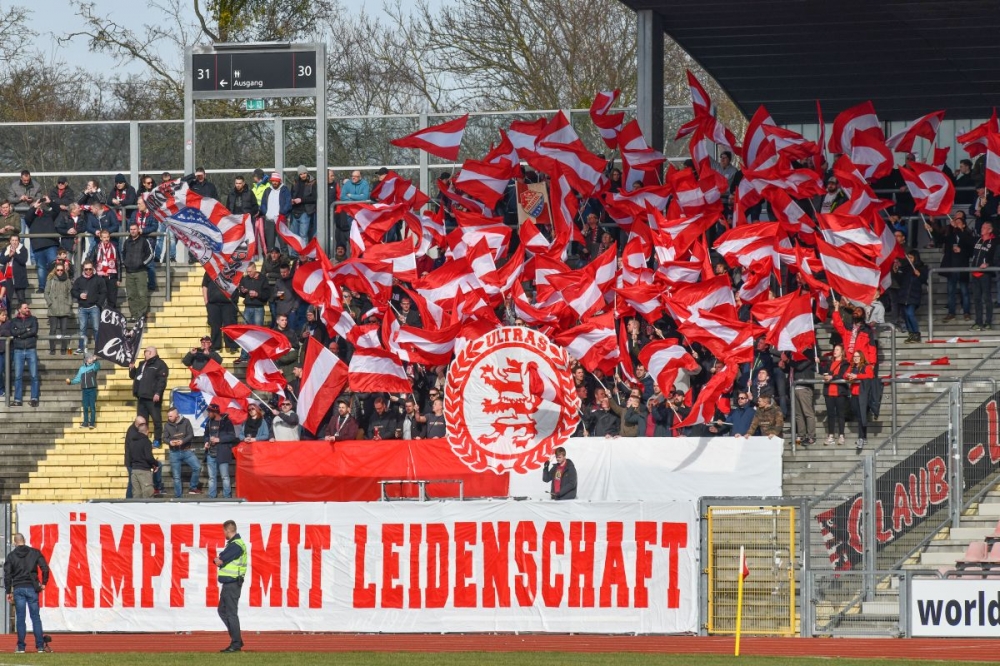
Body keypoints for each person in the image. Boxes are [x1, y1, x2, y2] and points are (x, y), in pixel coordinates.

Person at [3, 533, 51, 654]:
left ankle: (21, 647)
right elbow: (45, 568)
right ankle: (40, 646)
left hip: (18, 588)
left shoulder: (11, 556)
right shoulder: (35, 552)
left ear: (15, 542)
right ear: (24, 540)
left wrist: (8, 591)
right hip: (32, 588)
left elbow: (7, 575)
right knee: (35, 618)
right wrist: (44, 583)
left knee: (20, 618)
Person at [214, 519, 247, 653]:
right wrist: (219, 559)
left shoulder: (235, 545)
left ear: (228, 530)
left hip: (232, 583)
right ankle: (236, 639)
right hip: (229, 584)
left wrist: (218, 560)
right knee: (222, 611)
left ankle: (236, 643)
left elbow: (221, 560)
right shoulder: (234, 544)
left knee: (230, 613)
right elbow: (221, 557)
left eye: (224, 531)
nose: (224, 534)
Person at [130, 346, 169, 448]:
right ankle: (143, 440)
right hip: (141, 397)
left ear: (150, 352)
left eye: (145, 352)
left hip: (152, 398)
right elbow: (134, 376)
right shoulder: (142, 364)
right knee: (141, 421)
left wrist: (158, 393)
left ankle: (157, 440)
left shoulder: (160, 364)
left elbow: (162, 381)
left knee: (156, 420)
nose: (144, 354)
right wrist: (132, 368)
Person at [164, 407, 201, 496]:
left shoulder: (186, 421)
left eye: (171, 416)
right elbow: (164, 438)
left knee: (197, 467)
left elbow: (191, 435)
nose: (169, 418)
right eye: (168, 416)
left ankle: (193, 487)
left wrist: (183, 441)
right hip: (174, 452)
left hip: (186, 450)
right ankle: (178, 496)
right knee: (176, 477)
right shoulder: (167, 425)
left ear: (176, 415)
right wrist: (170, 442)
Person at [71, 261, 106, 354]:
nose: (88, 271)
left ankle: (99, 348)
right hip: (82, 308)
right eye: (86, 269)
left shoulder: (98, 279)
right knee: (82, 328)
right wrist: (79, 295)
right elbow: (73, 291)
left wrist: (98, 304)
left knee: (96, 328)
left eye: (90, 269)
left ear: (93, 269)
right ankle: (81, 347)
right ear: (83, 269)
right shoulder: (79, 280)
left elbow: (103, 292)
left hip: (94, 307)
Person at [204, 404, 238, 499]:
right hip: (211, 453)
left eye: (209, 412)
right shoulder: (209, 422)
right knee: (211, 477)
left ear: (214, 412)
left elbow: (232, 436)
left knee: (225, 477)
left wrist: (219, 439)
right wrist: (206, 442)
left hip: (222, 453)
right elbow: (206, 435)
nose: (208, 414)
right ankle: (212, 496)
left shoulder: (227, 422)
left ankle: (227, 496)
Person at [120, 222, 153, 319]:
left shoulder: (144, 241)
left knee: (142, 294)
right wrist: (125, 263)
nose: (133, 231)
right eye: (131, 229)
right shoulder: (127, 242)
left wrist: (142, 263)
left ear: (138, 230)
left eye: (134, 229)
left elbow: (150, 254)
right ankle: (134, 315)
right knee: (131, 295)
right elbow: (123, 253)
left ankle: (142, 315)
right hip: (129, 272)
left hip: (140, 272)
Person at [10, 302, 39, 407]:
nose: (28, 309)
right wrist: (26, 330)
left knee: (34, 375)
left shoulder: (33, 319)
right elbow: (13, 332)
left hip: (31, 349)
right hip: (18, 350)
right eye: (25, 308)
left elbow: (34, 331)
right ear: (19, 310)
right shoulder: (13, 321)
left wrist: (20, 334)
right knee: (18, 376)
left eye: (28, 307)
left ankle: (34, 398)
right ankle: (17, 400)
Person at [970, 222, 997, 331]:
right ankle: (978, 322)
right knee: (977, 299)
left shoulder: (994, 242)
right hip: (974, 273)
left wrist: (988, 264)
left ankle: (988, 322)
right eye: (982, 227)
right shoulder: (977, 240)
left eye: (985, 227)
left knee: (987, 298)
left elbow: (996, 257)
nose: (982, 229)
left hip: (985, 274)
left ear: (990, 230)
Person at [845, 350, 874, 453]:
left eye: (858, 356)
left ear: (862, 357)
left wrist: (857, 376)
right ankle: (864, 437)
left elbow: (870, 376)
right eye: (854, 356)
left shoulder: (866, 366)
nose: (856, 358)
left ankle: (861, 438)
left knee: (862, 416)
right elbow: (845, 375)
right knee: (859, 415)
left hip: (863, 394)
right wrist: (849, 375)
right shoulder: (852, 367)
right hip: (854, 394)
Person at [821, 344, 849, 446]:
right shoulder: (829, 363)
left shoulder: (845, 363)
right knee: (830, 415)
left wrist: (832, 377)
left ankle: (841, 435)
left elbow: (843, 375)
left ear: (842, 352)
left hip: (840, 392)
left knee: (841, 414)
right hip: (829, 392)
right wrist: (818, 363)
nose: (835, 351)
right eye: (834, 349)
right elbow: (823, 371)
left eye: (837, 349)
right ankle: (831, 435)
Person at [124, 416, 158, 498]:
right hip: (143, 469)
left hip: (134, 468)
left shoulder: (133, 440)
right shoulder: (146, 441)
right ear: (147, 431)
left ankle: (130, 502)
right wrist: (155, 463)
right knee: (148, 493)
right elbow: (148, 457)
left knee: (136, 493)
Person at [44, 262, 73, 355]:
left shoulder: (67, 280)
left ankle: (63, 349)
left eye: (61, 270)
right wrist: (50, 303)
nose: (60, 271)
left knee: (64, 330)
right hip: (53, 309)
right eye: (58, 270)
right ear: (55, 270)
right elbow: (46, 293)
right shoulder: (51, 279)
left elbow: (70, 293)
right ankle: (52, 349)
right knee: (53, 330)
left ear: (64, 270)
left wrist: (69, 304)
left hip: (64, 308)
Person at [66, 354, 100, 429]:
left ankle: (92, 423)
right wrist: (70, 382)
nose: (91, 359)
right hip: (85, 390)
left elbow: (98, 366)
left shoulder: (94, 366)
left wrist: (96, 360)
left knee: (92, 407)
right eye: (90, 358)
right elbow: (78, 379)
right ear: (86, 359)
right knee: (85, 407)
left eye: (91, 358)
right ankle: (85, 422)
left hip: (92, 389)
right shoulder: (81, 368)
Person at [0, 233, 29, 307]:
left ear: (19, 241)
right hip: (7, 278)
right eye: (12, 240)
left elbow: (23, 260)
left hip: (19, 278)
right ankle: (7, 314)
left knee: (21, 300)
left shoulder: (23, 249)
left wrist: (15, 254)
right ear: (10, 241)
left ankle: (23, 313)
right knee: (7, 300)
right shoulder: (5, 249)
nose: (14, 242)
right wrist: (9, 255)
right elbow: (2, 261)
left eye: (16, 240)